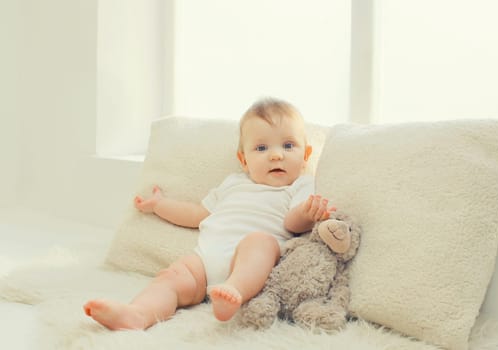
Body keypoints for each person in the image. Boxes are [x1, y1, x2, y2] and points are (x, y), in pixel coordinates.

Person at [83, 98, 335, 330]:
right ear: (244, 160)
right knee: (170, 278)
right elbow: (197, 214)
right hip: (204, 260)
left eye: (288, 145)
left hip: (251, 264)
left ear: (305, 156)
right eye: (261, 148)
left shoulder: (300, 185)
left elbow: (292, 222)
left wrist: (309, 212)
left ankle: (233, 291)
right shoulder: (233, 183)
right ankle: (138, 313)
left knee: (260, 242)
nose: (276, 154)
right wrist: (160, 205)